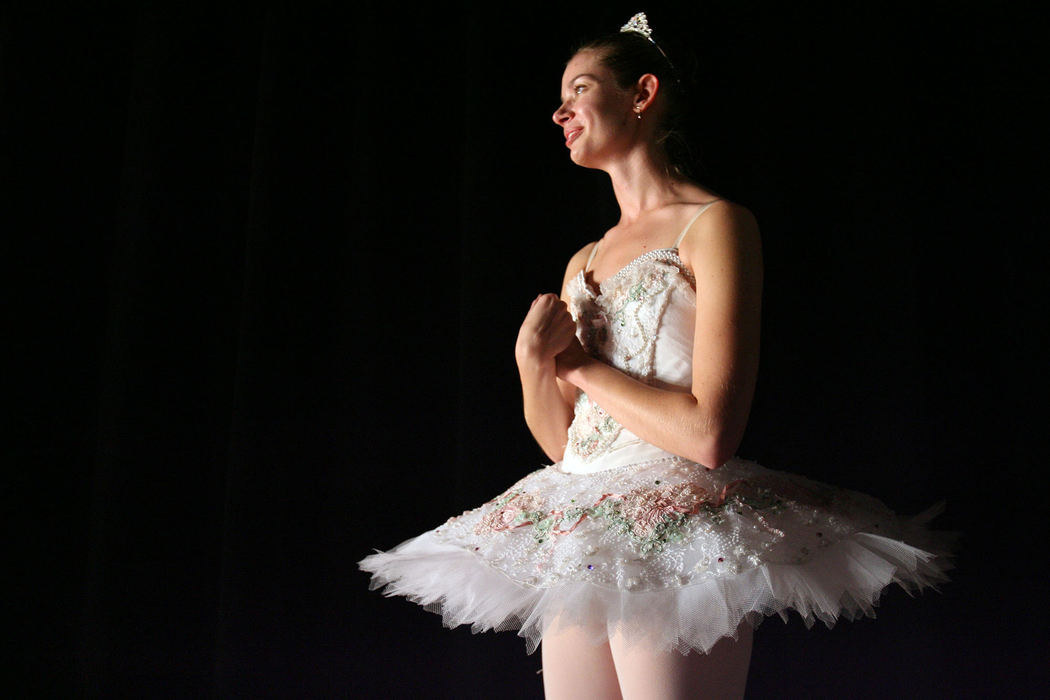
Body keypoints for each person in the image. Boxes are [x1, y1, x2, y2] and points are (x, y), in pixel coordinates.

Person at [360, 13, 952, 700]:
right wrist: (531, 362)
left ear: (642, 94)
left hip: (680, 527)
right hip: (583, 534)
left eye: (580, 90)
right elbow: (570, 448)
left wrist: (578, 365)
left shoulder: (716, 225)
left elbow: (708, 435)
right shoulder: (585, 259)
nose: (560, 112)